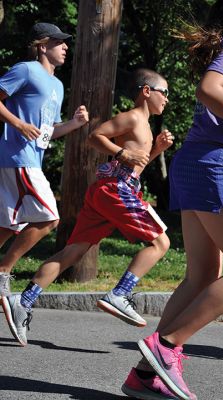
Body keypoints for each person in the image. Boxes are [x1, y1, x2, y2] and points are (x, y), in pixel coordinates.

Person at [121, 1, 223, 400]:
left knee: (202, 275)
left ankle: (145, 376)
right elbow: (209, 89)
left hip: (198, 161)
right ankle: (165, 348)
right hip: (214, 164)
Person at [1, 68, 173, 346]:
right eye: (164, 92)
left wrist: (155, 152)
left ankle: (23, 299)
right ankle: (120, 294)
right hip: (116, 190)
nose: (167, 99)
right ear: (146, 91)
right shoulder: (132, 117)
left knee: (73, 251)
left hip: (109, 191)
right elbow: (95, 135)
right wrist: (122, 152)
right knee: (161, 243)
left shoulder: (146, 126)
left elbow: (136, 168)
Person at [0, 21, 89, 302]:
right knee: (50, 218)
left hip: (31, 159)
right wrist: (18, 124)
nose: (65, 47)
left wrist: (74, 123)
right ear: (42, 46)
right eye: (59, 42)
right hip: (17, 157)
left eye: (66, 43)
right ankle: (3, 270)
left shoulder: (57, 86)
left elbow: (48, 132)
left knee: (8, 226)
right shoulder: (26, 70)